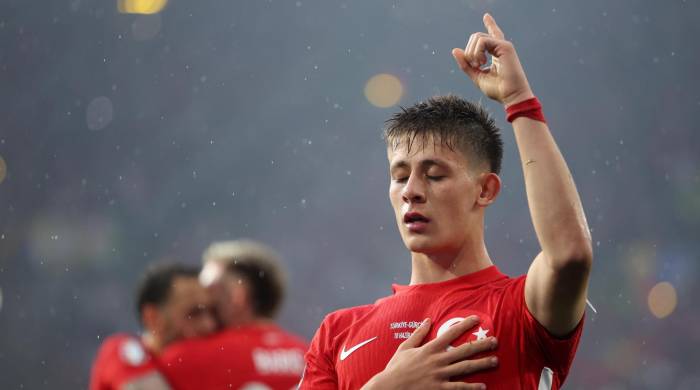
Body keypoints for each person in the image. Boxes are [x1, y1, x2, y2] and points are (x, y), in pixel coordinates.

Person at [301, 13, 592, 390]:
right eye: (400, 176)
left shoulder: (520, 308)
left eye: (435, 175)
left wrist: (519, 101)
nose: (411, 190)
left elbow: (570, 254)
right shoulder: (338, 332)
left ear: (485, 190)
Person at [159, 240, 308, 390]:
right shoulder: (314, 358)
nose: (201, 298)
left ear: (237, 295)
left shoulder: (186, 359)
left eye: (208, 289)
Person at [89, 263, 217, 390]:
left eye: (212, 312)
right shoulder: (122, 351)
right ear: (153, 318)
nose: (209, 325)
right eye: (193, 314)